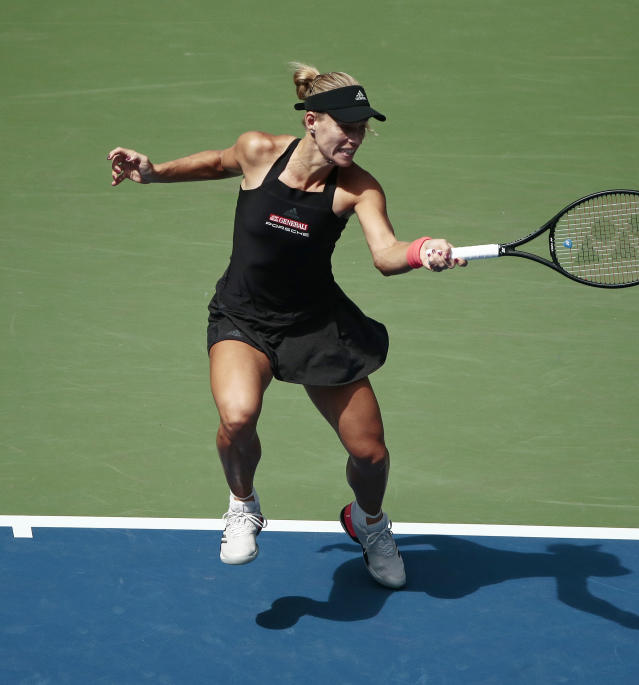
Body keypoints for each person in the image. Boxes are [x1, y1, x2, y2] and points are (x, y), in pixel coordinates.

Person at [107, 63, 465, 589]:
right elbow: (216, 163)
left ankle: (368, 522)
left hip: (316, 326)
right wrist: (155, 170)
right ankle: (243, 506)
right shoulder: (258, 151)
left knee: (370, 454)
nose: (356, 136)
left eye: (363, 127)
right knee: (238, 416)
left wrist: (420, 251)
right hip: (243, 316)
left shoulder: (358, 188)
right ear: (312, 121)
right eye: (347, 125)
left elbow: (385, 254)